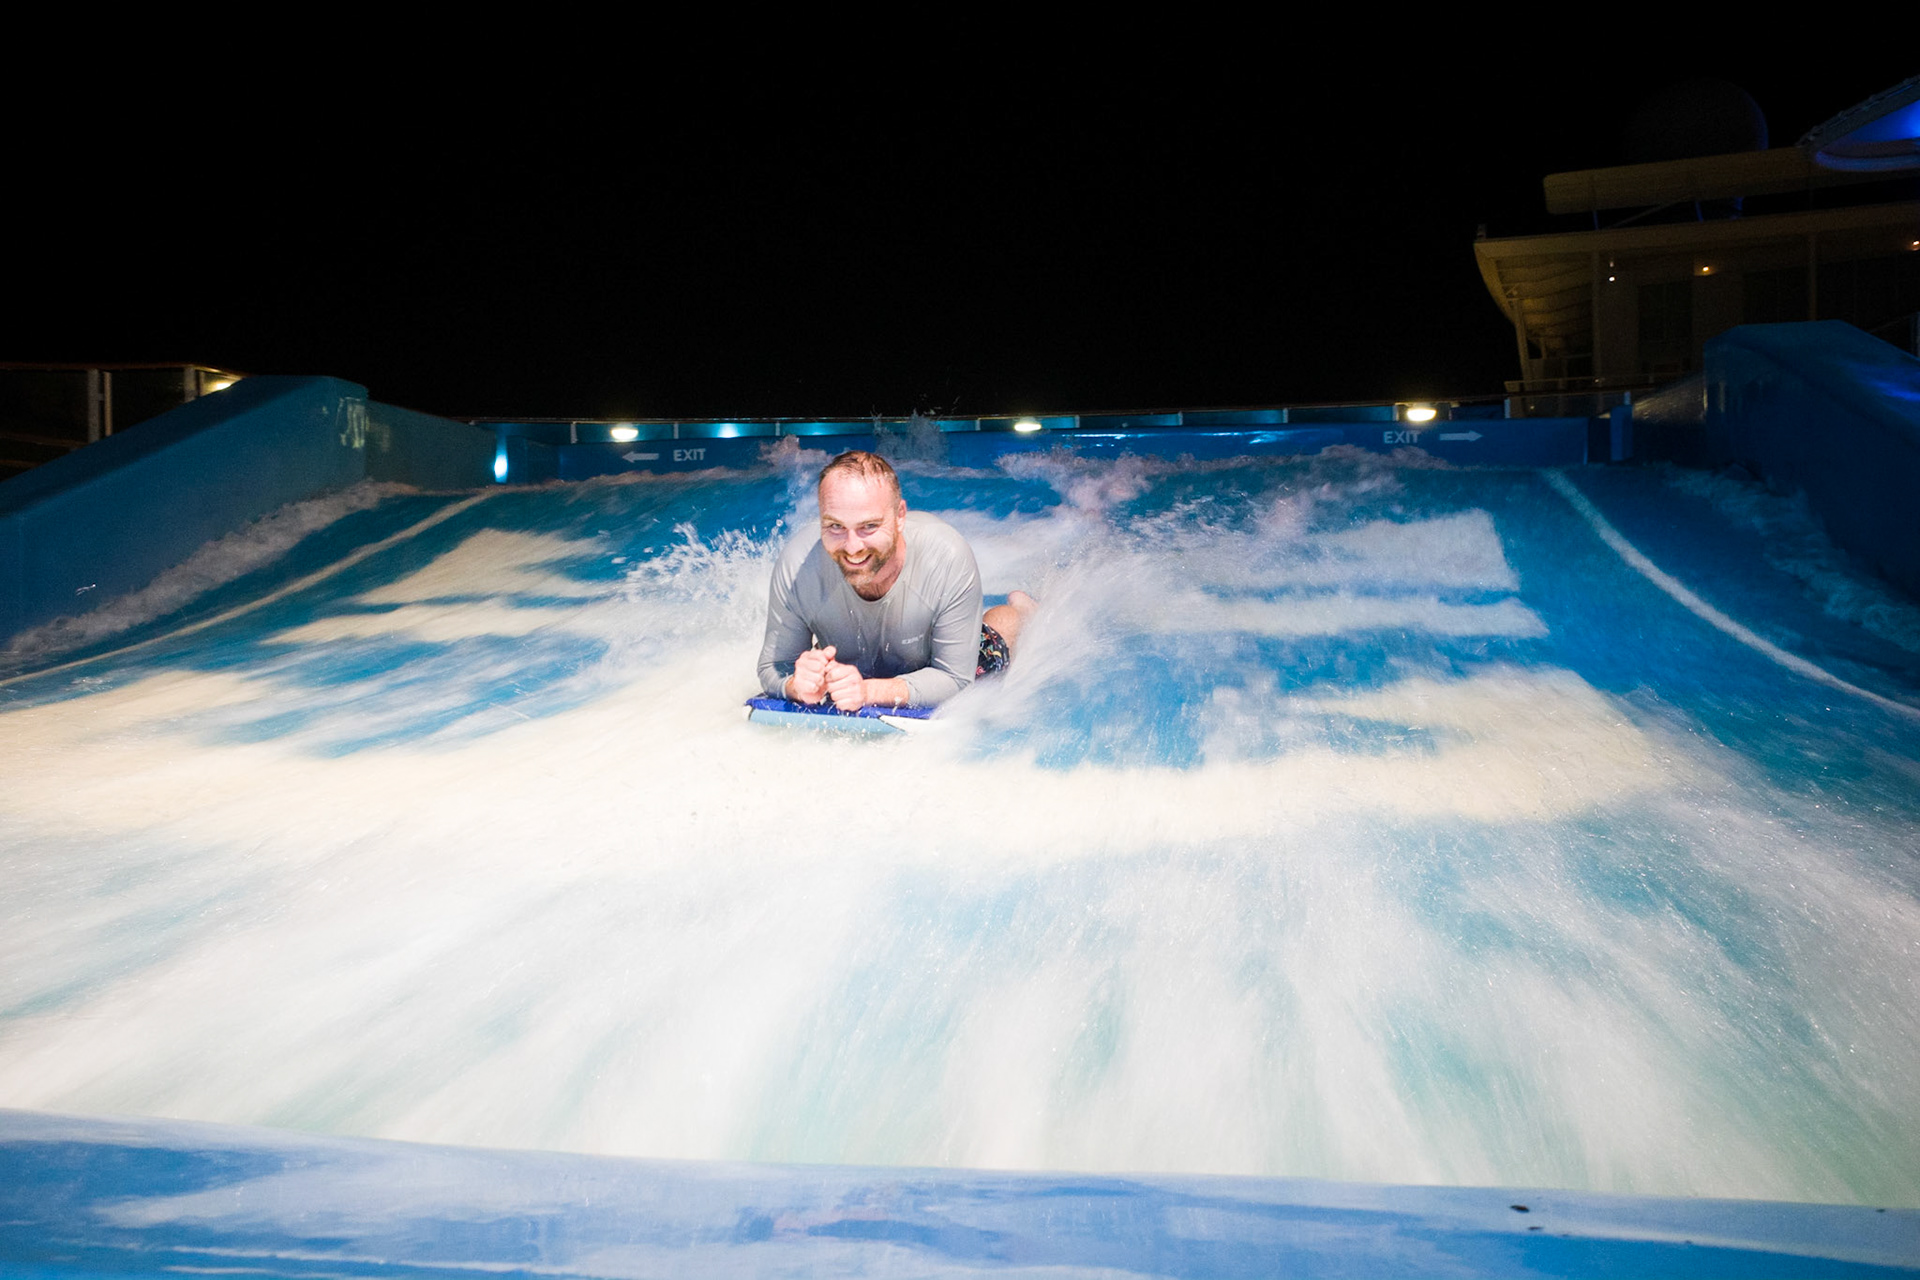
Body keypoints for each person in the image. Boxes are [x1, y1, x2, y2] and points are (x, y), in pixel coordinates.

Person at [758, 450, 1033, 711]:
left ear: (900, 516)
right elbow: (774, 666)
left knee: (992, 645)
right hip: (851, 669)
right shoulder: (798, 564)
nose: (852, 548)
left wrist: (868, 692)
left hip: (932, 661)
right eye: (836, 526)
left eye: (869, 526)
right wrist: (797, 684)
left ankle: (1022, 611)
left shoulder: (946, 558)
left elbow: (956, 679)